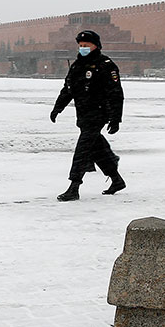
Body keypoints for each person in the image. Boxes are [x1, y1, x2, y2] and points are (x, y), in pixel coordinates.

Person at [50, 30, 125, 201]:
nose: (83, 48)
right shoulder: (77, 65)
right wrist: (57, 108)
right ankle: (116, 178)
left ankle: (74, 186)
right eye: (81, 45)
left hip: (99, 113)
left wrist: (115, 118)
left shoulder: (105, 65)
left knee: (83, 149)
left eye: (86, 45)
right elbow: (68, 89)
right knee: (96, 146)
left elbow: (115, 93)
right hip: (83, 114)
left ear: (96, 46)